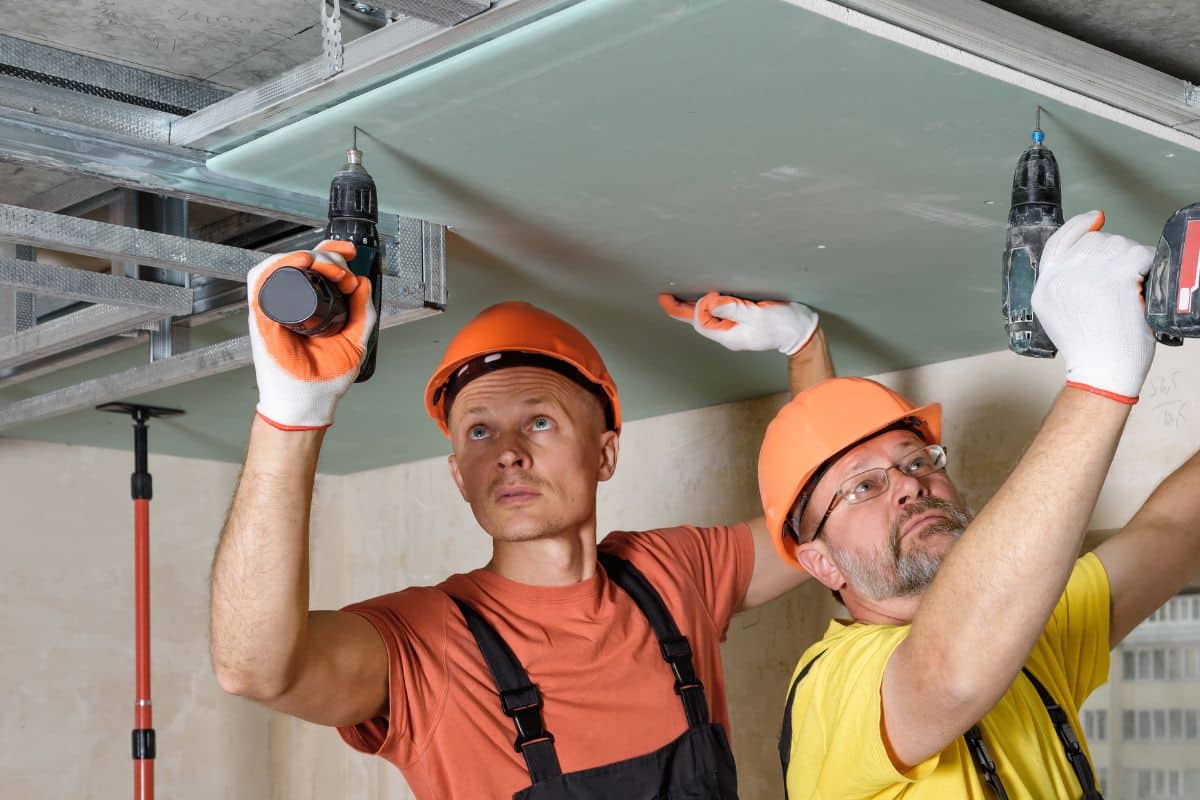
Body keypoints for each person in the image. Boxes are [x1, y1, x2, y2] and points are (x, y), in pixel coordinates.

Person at [210, 239, 831, 799]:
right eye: (478, 431)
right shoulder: (428, 646)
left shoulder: (672, 574)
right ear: (460, 477)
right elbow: (255, 667)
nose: (506, 451)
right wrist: (294, 411)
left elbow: (822, 521)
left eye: (539, 421)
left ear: (605, 453)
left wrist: (803, 346)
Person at [764, 210, 1199, 798]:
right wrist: (1102, 376)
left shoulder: (1032, 632)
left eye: (917, 461)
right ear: (822, 564)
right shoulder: (828, 690)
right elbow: (950, 674)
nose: (909, 485)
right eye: (863, 487)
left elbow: (1176, 528)